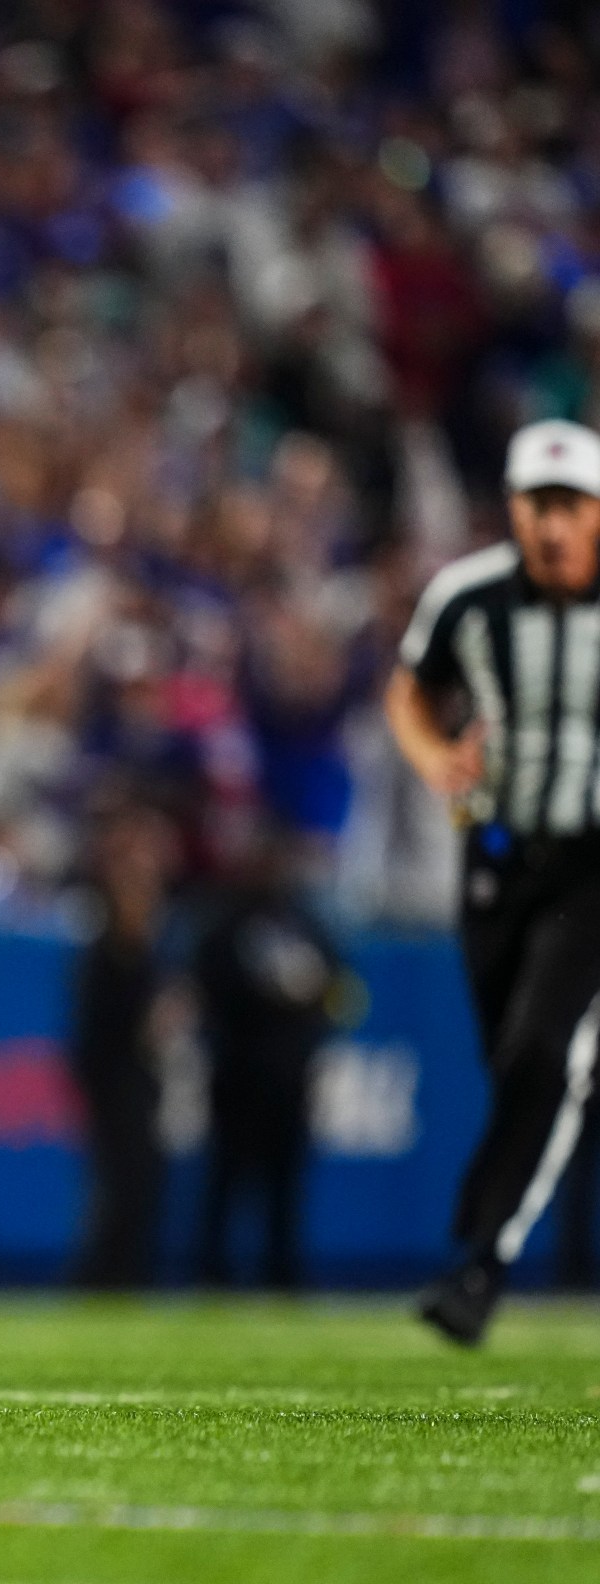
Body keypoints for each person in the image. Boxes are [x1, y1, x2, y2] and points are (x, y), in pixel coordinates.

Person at [386, 417, 600, 1345]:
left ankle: (482, 1262)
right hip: (500, 858)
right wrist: (436, 757)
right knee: (514, 1061)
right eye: (537, 505)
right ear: (511, 509)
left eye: (570, 506)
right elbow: (410, 689)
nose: (552, 526)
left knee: (543, 1054)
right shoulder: (467, 597)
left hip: (592, 864)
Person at [191, 823, 339, 1291]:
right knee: (226, 1181)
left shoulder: (306, 924)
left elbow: (339, 990)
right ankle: (212, 1273)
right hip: (238, 1073)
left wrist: (310, 1009)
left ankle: (283, 1275)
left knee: (285, 1186)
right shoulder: (227, 923)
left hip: (291, 1076)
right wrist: (263, 994)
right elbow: (208, 987)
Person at [66, 803, 172, 1291]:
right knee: (119, 1181)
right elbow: (100, 1029)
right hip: (115, 1080)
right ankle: (104, 1276)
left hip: (137, 1080)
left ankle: (127, 1274)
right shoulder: (108, 952)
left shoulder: (146, 949)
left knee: (139, 1180)